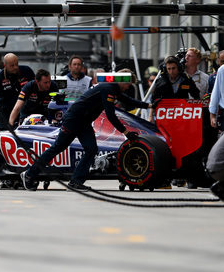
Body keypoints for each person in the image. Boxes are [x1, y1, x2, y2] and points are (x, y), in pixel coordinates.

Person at [20, 74, 154, 192]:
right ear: (121, 80)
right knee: (58, 147)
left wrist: (149, 106)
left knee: (91, 149)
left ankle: (75, 182)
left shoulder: (113, 88)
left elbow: (128, 100)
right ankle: (29, 174)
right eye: (127, 84)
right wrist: (126, 132)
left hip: (83, 121)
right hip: (74, 119)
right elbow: (111, 115)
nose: (127, 87)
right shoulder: (108, 89)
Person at [0, 53, 35, 130]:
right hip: (6, 113)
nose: (15, 67)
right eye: (12, 65)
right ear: (5, 65)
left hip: (25, 112)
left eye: (16, 64)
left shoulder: (27, 71)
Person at [148, 56, 200, 122]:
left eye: (173, 68)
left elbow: (196, 96)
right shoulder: (160, 82)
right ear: (165, 69)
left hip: (182, 115)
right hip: (164, 116)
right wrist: (150, 116)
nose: (171, 71)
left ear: (178, 67)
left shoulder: (186, 80)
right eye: (169, 69)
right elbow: (153, 100)